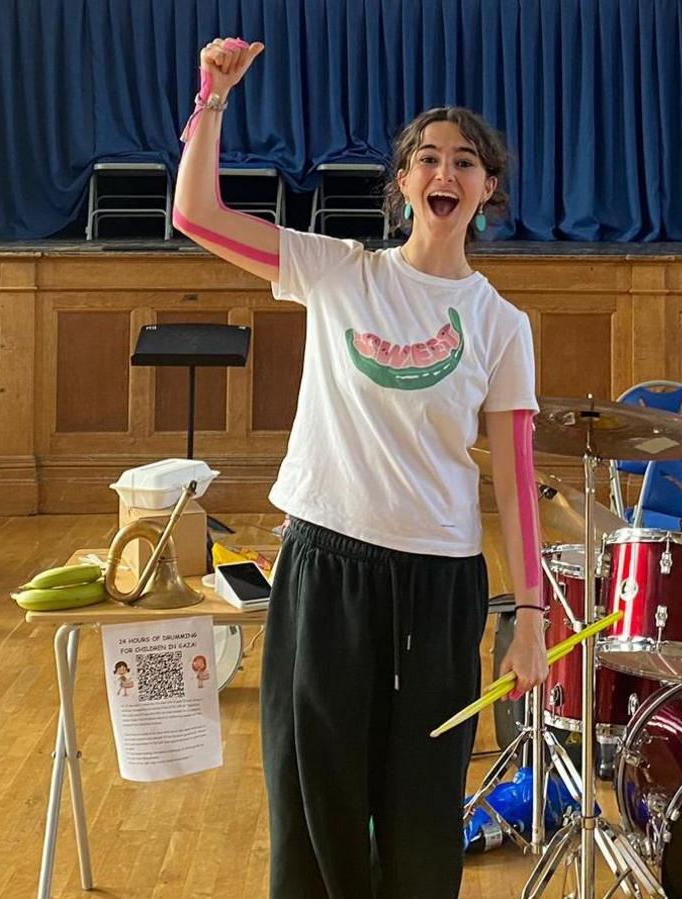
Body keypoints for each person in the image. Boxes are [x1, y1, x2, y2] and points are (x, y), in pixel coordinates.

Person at [173, 37, 549, 898]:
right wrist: (213, 99)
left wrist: (530, 614)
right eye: (426, 158)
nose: (443, 171)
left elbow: (516, 478)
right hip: (325, 567)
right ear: (404, 185)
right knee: (316, 801)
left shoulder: (501, 324)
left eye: (464, 161)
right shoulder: (337, 272)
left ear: (487, 189)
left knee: (421, 814)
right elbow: (196, 214)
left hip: (439, 584)